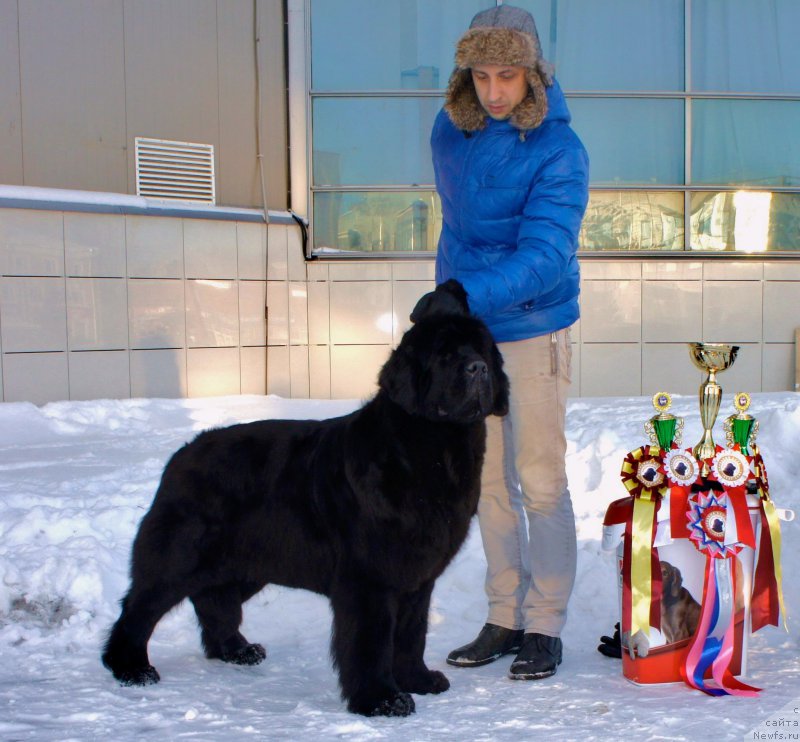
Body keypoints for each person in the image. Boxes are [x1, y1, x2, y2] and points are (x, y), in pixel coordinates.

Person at [430, 4, 589, 680]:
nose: (495, 91)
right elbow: (458, 230)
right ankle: (504, 615)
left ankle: (546, 623)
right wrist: (448, 304)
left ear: (533, 75)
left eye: (509, 75)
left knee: (540, 481)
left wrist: (464, 293)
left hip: (531, 329)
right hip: (470, 334)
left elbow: (548, 253)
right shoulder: (449, 130)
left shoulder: (560, 149)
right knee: (487, 483)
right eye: (483, 74)